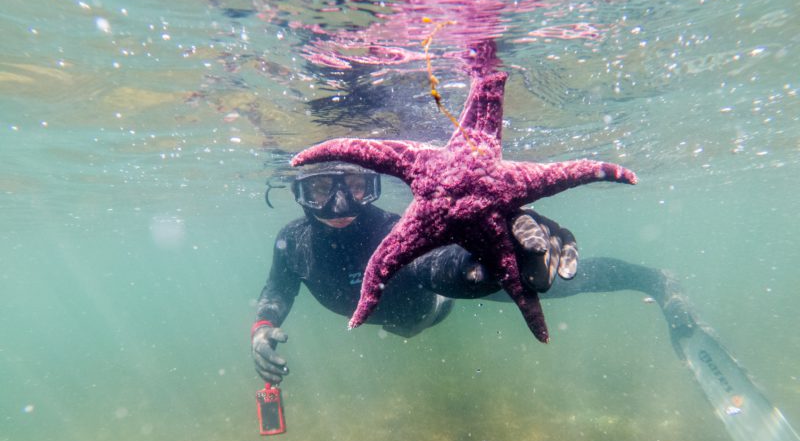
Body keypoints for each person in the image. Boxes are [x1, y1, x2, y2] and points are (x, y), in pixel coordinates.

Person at [251, 161, 690, 385]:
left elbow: (439, 268)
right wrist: (263, 328)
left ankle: (656, 280)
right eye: (322, 190)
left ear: (373, 187)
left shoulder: (397, 233)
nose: (340, 206)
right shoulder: (292, 242)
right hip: (403, 321)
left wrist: (492, 263)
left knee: (556, 284)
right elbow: (277, 287)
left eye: (357, 187)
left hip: (434, 304)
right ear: (297, 192)